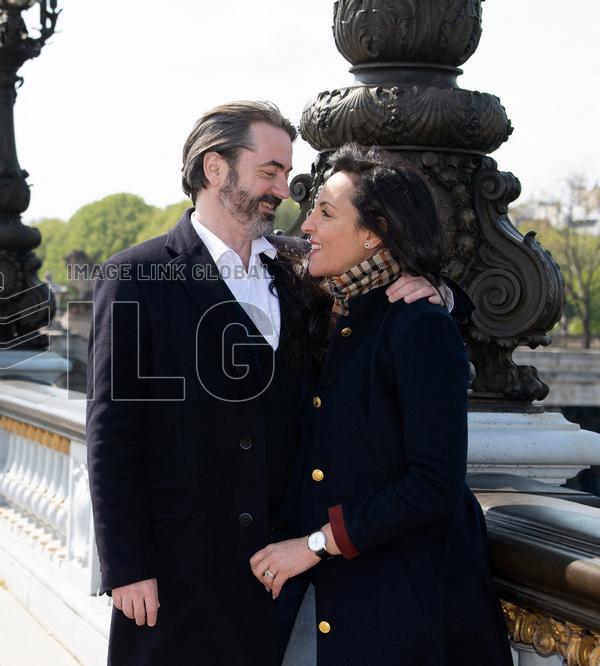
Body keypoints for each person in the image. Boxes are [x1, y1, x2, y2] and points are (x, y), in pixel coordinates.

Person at [85, 102, 450, 665]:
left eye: (287, 173)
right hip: (179, 569)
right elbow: (112, 434)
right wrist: (127, 566)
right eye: (270, 171)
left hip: (282, 569)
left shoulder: (303, 268)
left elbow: (393, 282)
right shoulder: (136, 277)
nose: (284, 190)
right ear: (215, 169)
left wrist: (441, 291)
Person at [249, 144, 511, 665]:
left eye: (326, 212)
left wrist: (315, 544)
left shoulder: (419, 324)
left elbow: (432, 484)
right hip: (318, 603)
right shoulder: (322, 310)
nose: (306, 225)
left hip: (396, 612)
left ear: (375, 233)